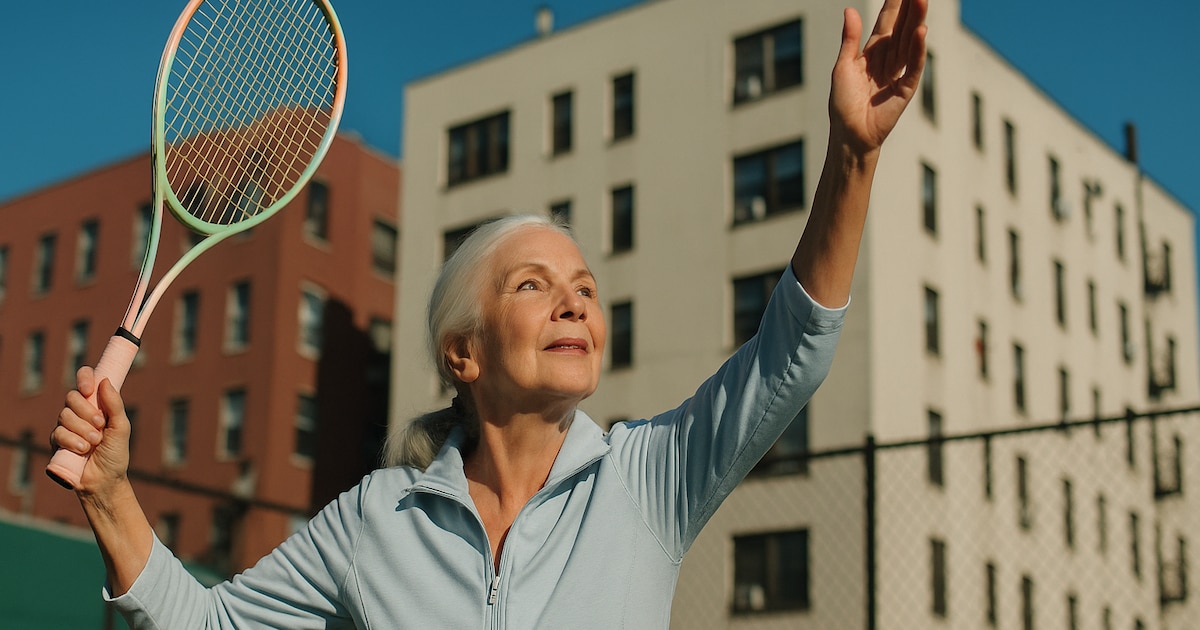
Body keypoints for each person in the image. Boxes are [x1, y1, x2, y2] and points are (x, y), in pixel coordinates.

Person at [52, 1, 927, 626]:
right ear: (462, 354)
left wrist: (852, 155)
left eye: (584, 285)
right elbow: (207, 626)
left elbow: (789, 356)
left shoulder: (646, 482)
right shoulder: (375, 520)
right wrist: (111, 493)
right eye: (533, 284)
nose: (574, 299)